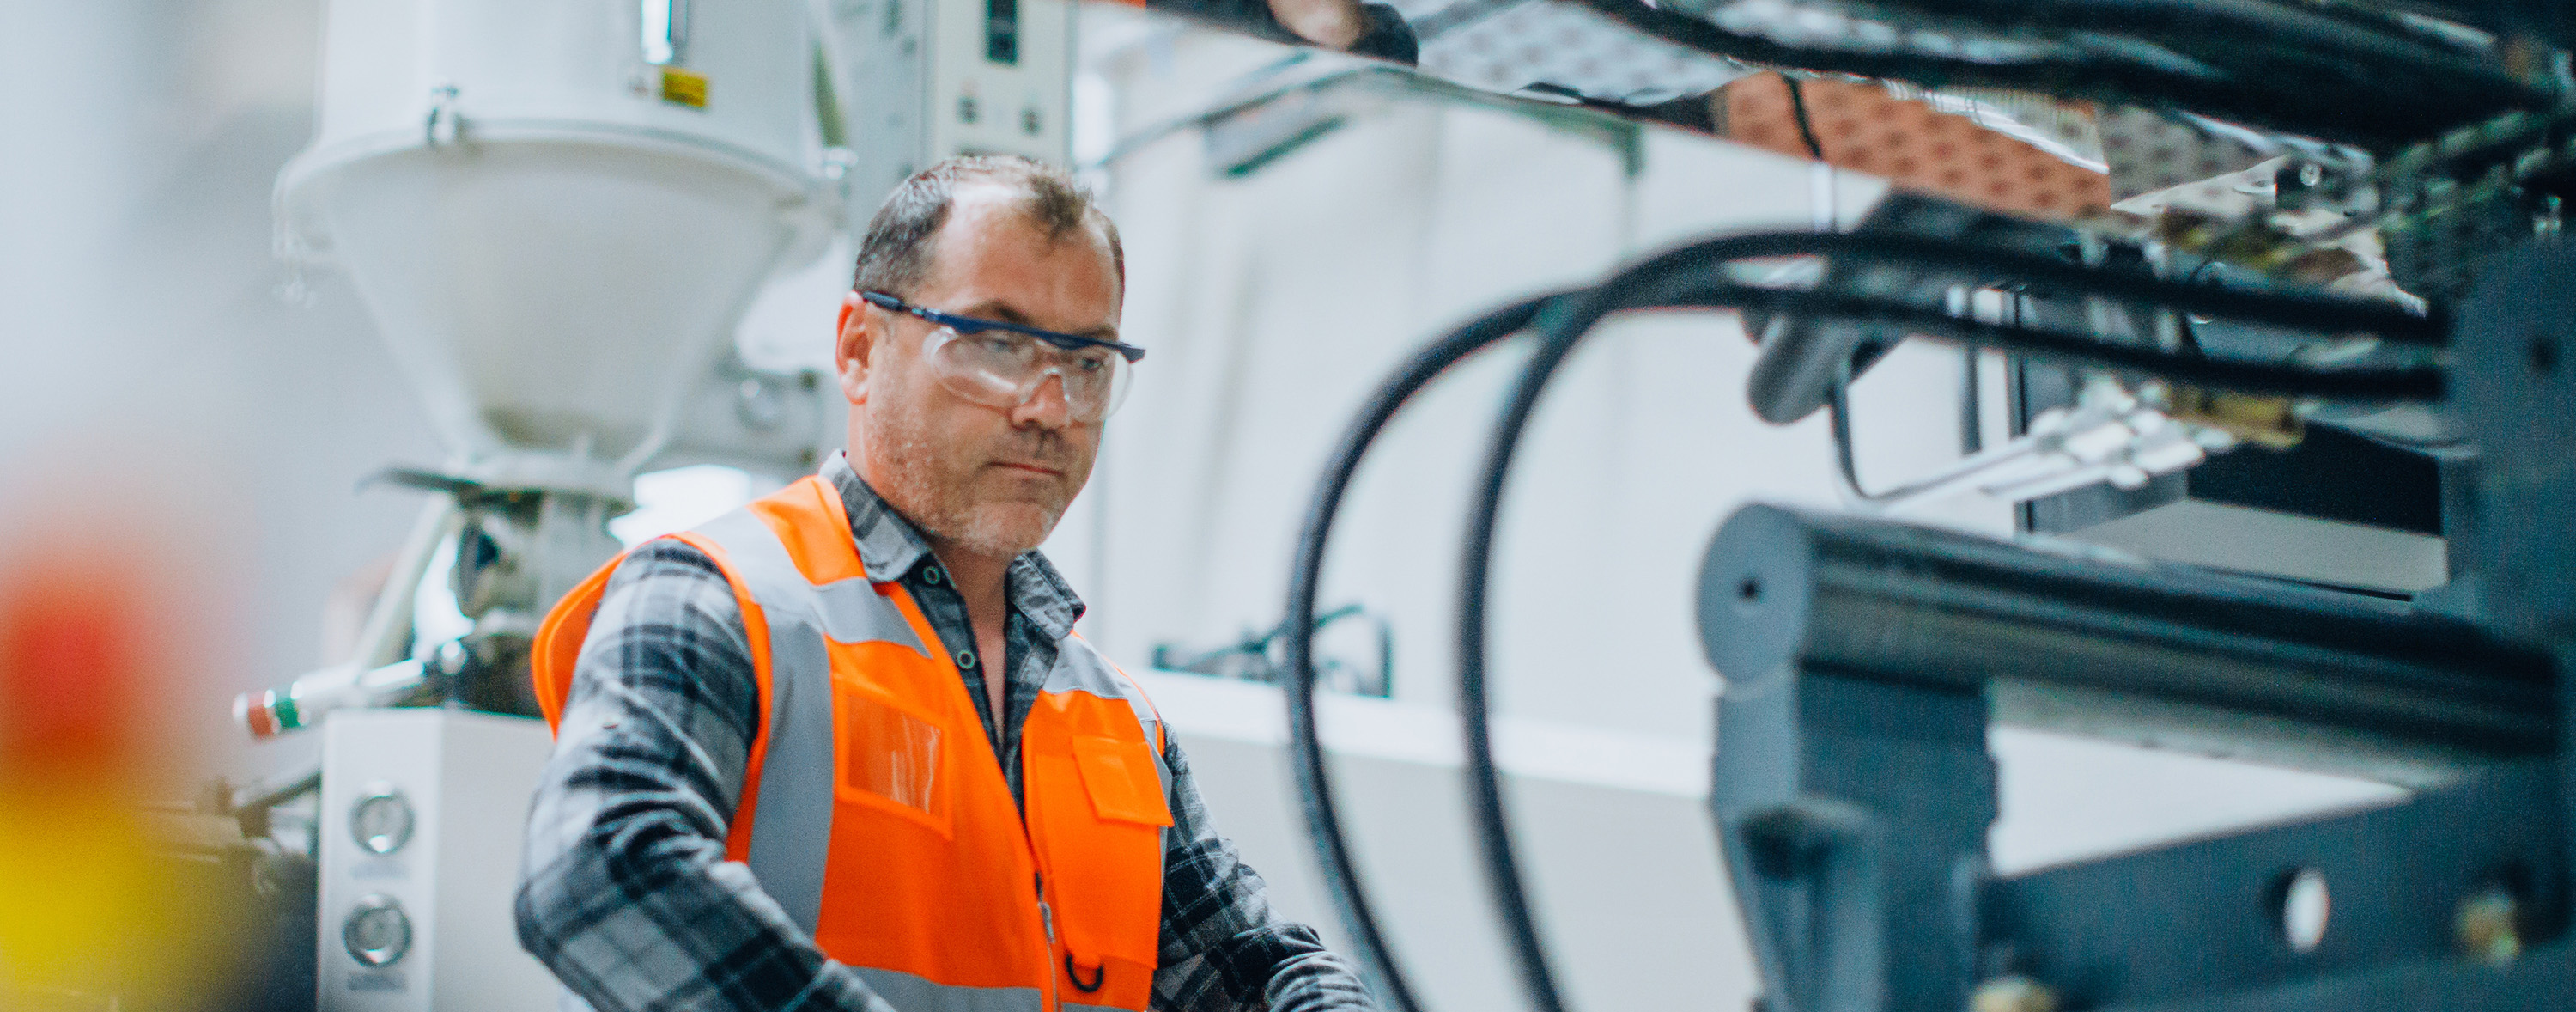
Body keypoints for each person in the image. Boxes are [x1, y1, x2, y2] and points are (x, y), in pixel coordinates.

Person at [516, 156, 1377, 1012]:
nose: (1048, 408)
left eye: (1086, 362)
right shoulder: (717, 599)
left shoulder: (1117, 720)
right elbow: (599, 866)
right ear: (859, 349)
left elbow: (1244, 967)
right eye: (995, 344)